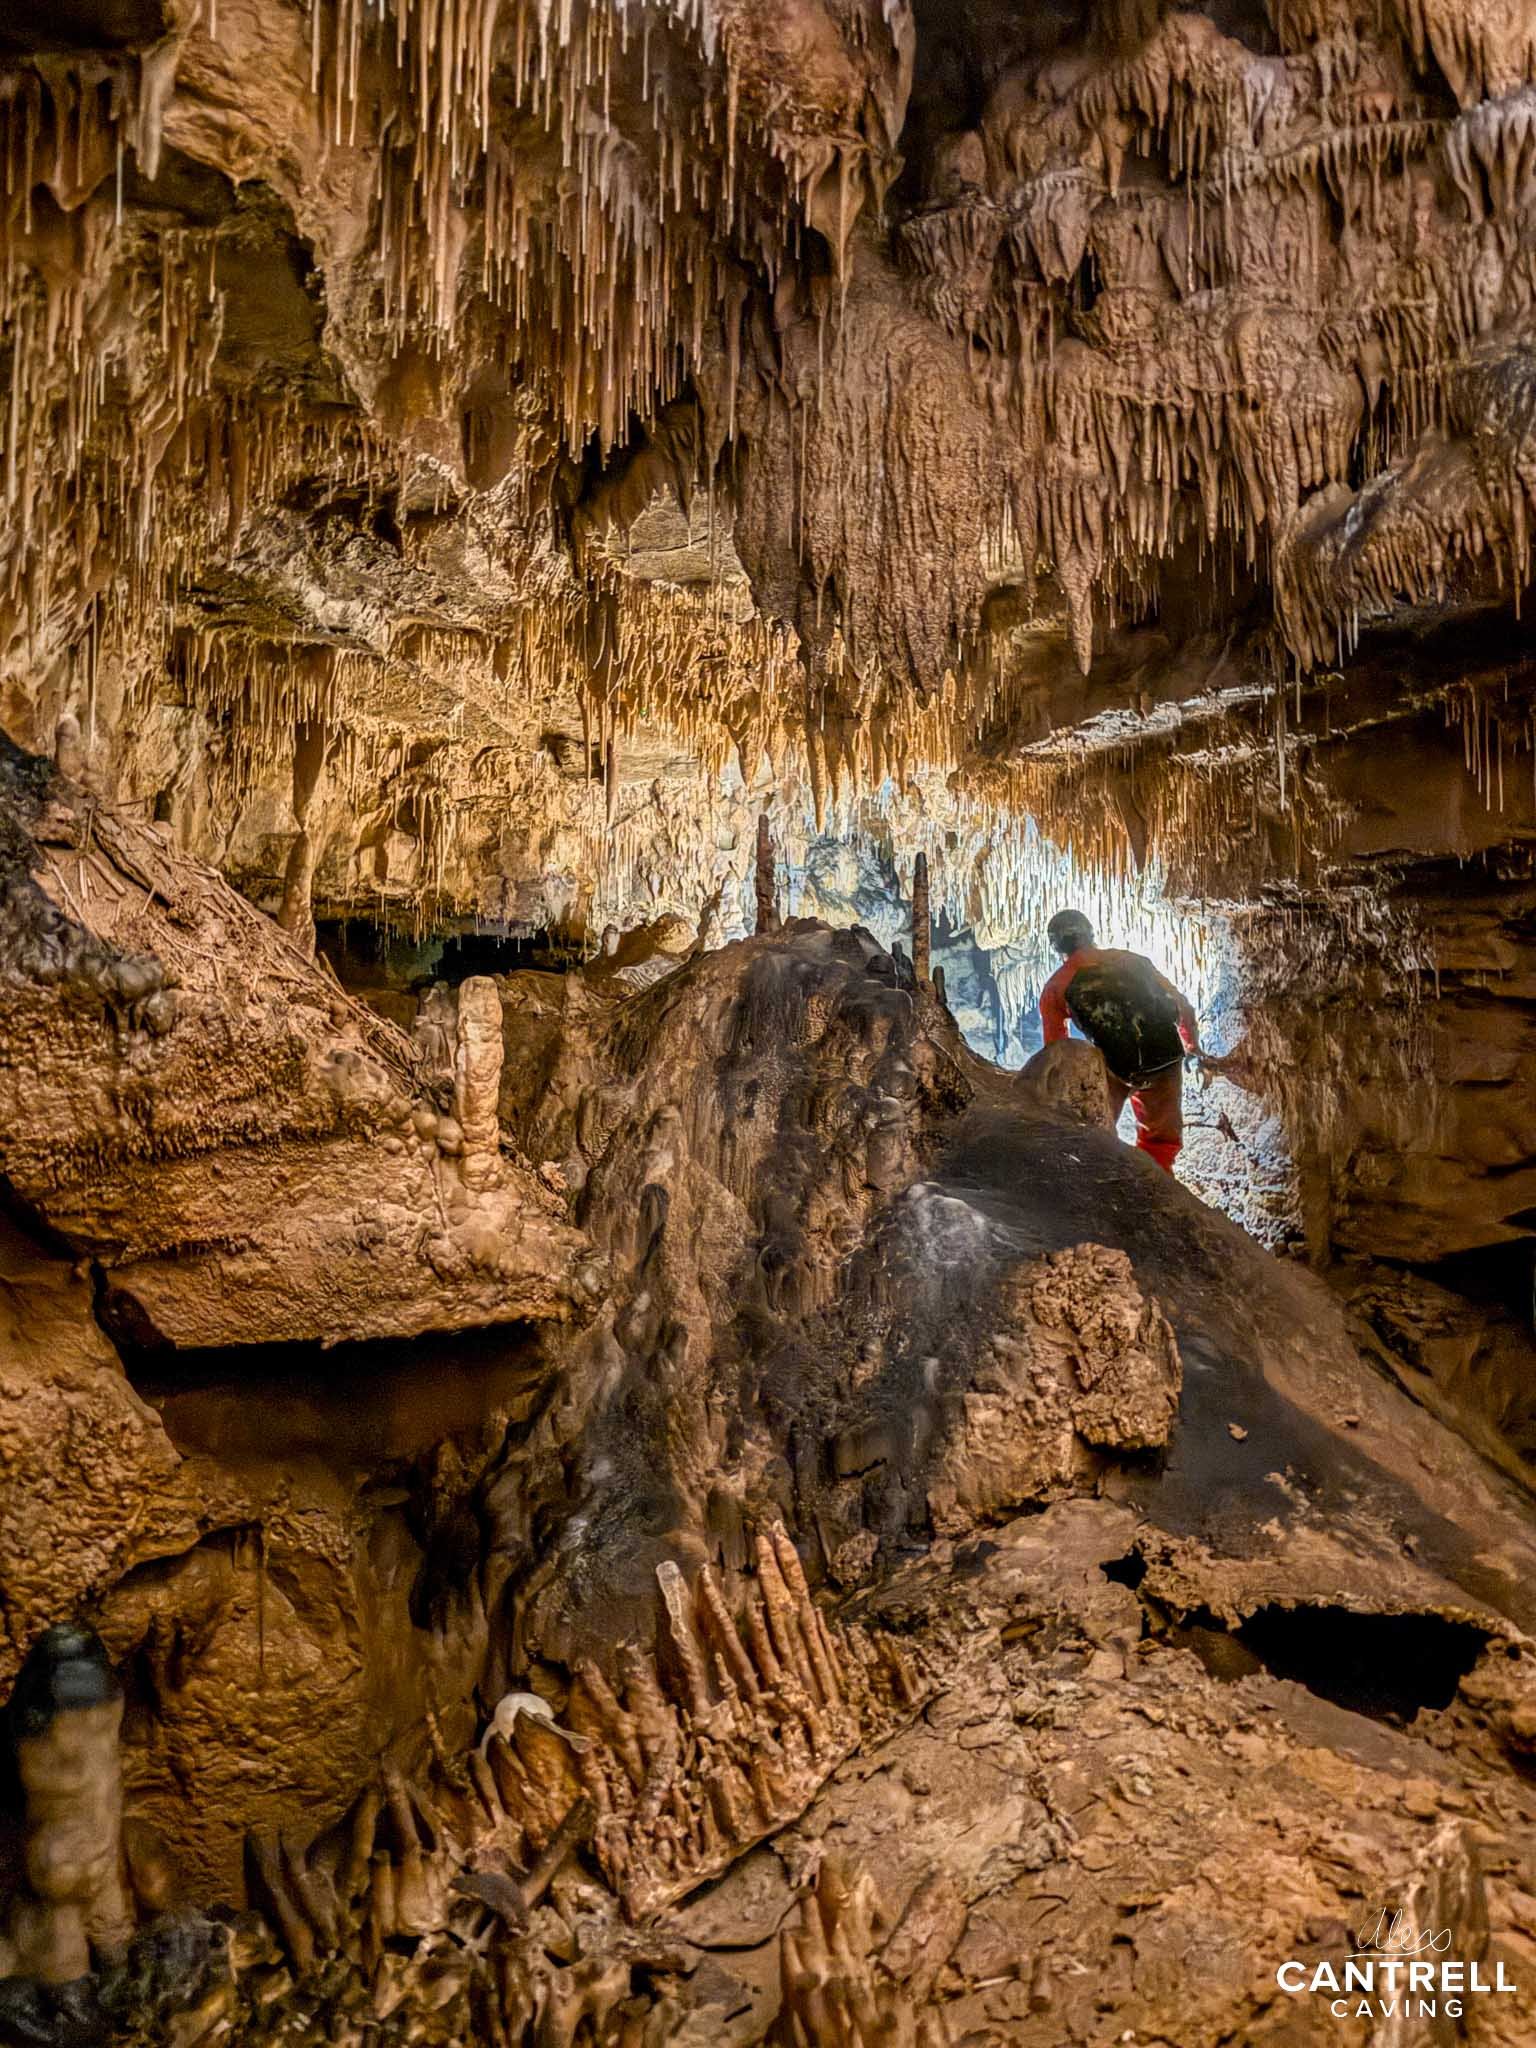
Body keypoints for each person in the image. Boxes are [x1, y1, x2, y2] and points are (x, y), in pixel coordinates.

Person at [1039, 909, 1200, 1173]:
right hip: (1165, 1059)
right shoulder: (1134, 961)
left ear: (1056, 945)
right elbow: (1182, 1007)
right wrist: (1192, 1046)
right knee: (1160, 1143)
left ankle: (1101, 1182)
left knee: (1094, 1133)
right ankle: (1156, 1190)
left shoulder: (1056, 987)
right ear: (1090, 934)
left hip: (1115, 1067)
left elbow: (1057, 1051)